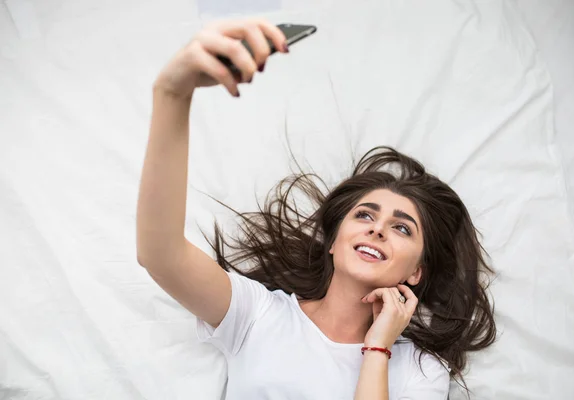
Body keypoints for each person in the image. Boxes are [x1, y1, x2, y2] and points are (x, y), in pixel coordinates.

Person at [136, 18, 496, 399]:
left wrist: (378, 348)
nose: (377, 229)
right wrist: (172, 94)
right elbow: (160, 254)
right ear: (332, 242)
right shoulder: (258, 314)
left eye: (402, 228)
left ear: (416, 272)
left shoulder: (420, 370)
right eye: (365, 215)